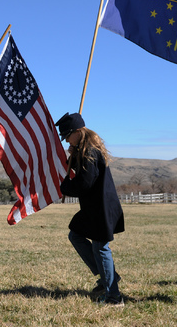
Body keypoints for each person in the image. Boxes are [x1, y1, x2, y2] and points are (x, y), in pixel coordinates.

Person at [55, 113, 125, 306]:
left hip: (100, 209)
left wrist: (65, 187)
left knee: (101, 248)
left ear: (78, 132)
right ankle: (107, 278)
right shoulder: (85, 151)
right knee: (76, 235)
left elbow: (84, 183)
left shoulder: (90, 152)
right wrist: (74, 156)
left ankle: (113, 296)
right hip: (94, 209)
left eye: (68, 135)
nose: (67, 139)